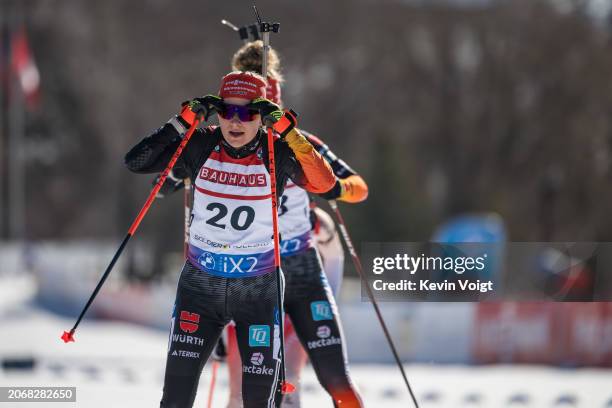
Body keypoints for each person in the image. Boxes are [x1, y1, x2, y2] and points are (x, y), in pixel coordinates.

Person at [124, 70, 336, 408]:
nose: (235, 122)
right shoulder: (201, 142)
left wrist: (290, 134)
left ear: (262, 116)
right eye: (227, 111)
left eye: (247, 113)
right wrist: (183, 121)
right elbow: (136, 162)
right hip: (201, 286)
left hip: (258, 288)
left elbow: (324, 184)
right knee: (175, 399)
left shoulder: (277, 151)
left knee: (257, 401)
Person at [226, 41, 368, 408]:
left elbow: (359, 188)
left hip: (301, 267)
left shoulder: (303, 144)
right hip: (252, 273)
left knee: (336, 380)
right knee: (253, 394)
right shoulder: (224, 148)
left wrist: (334, 187)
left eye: (271, 101)